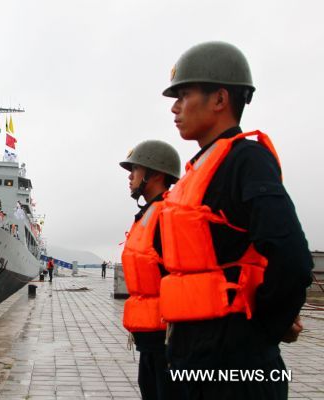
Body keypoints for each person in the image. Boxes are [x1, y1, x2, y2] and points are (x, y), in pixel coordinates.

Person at [160, 41, 313, 399]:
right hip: (192, 354)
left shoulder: (246, 159)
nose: (175, 108)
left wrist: (263, 328)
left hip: (234, 364)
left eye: (184, 94)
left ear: (219, 99)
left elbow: (291, 258)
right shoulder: (201, 168)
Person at [120, 140, 182, 400]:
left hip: (167, 338)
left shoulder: (168, 215)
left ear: (155, 174)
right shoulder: (150, 214)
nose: (130, 177)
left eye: (135, 170)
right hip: (150, 336)